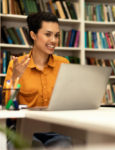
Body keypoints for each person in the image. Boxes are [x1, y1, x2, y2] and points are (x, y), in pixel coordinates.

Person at [3, 12, 72, 149]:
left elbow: (71, 101)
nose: (53, 40)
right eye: (48, 34)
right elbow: (8, 107)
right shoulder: (17, 65)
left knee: (64, 145)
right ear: (33, 35)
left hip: (56, 131)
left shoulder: (63, 64)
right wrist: (15, 77)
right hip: (24, 131)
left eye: (56, 35)